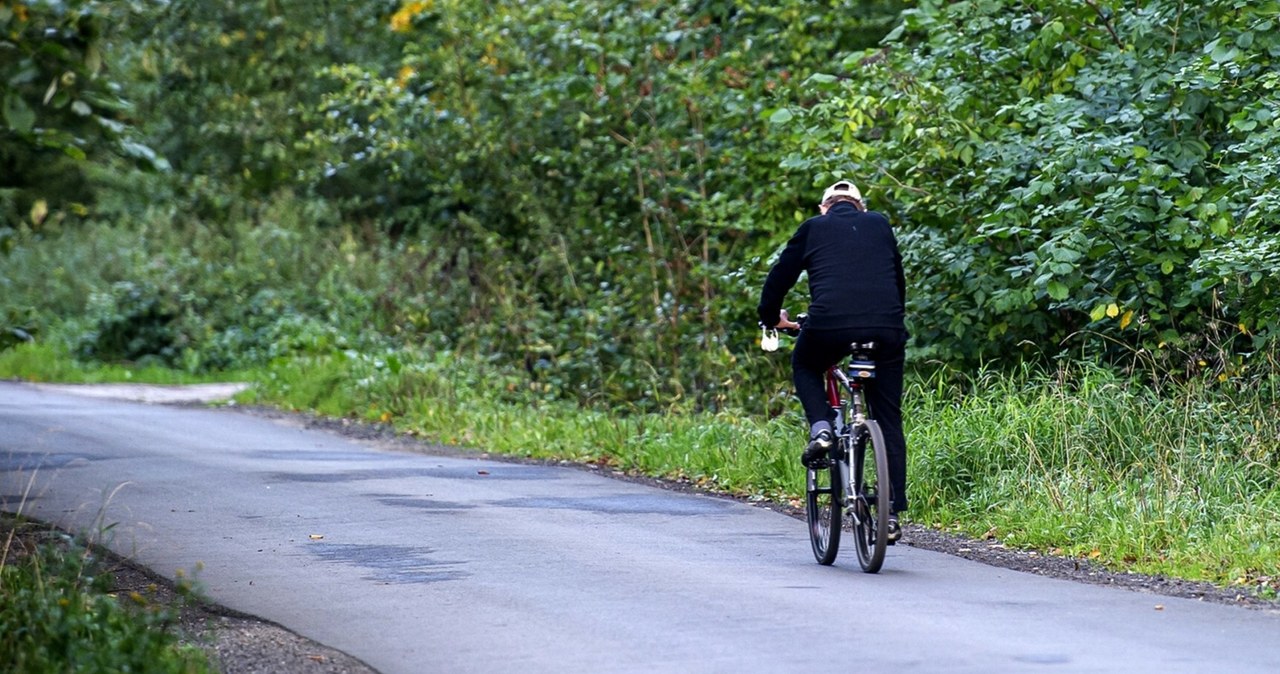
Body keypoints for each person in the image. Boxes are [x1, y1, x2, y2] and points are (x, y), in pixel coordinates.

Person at [757, 179, 909, 540]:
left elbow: (780, 277)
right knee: (888, 418)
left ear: (824, 208)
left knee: (806, 364)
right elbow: (898, 280)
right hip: (886, 328)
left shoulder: (813, 228)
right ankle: (890, 512)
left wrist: (769, 317)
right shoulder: (880, 223)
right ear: (860, 206)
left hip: (829, 326)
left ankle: (822, 427)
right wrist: (890, 320)